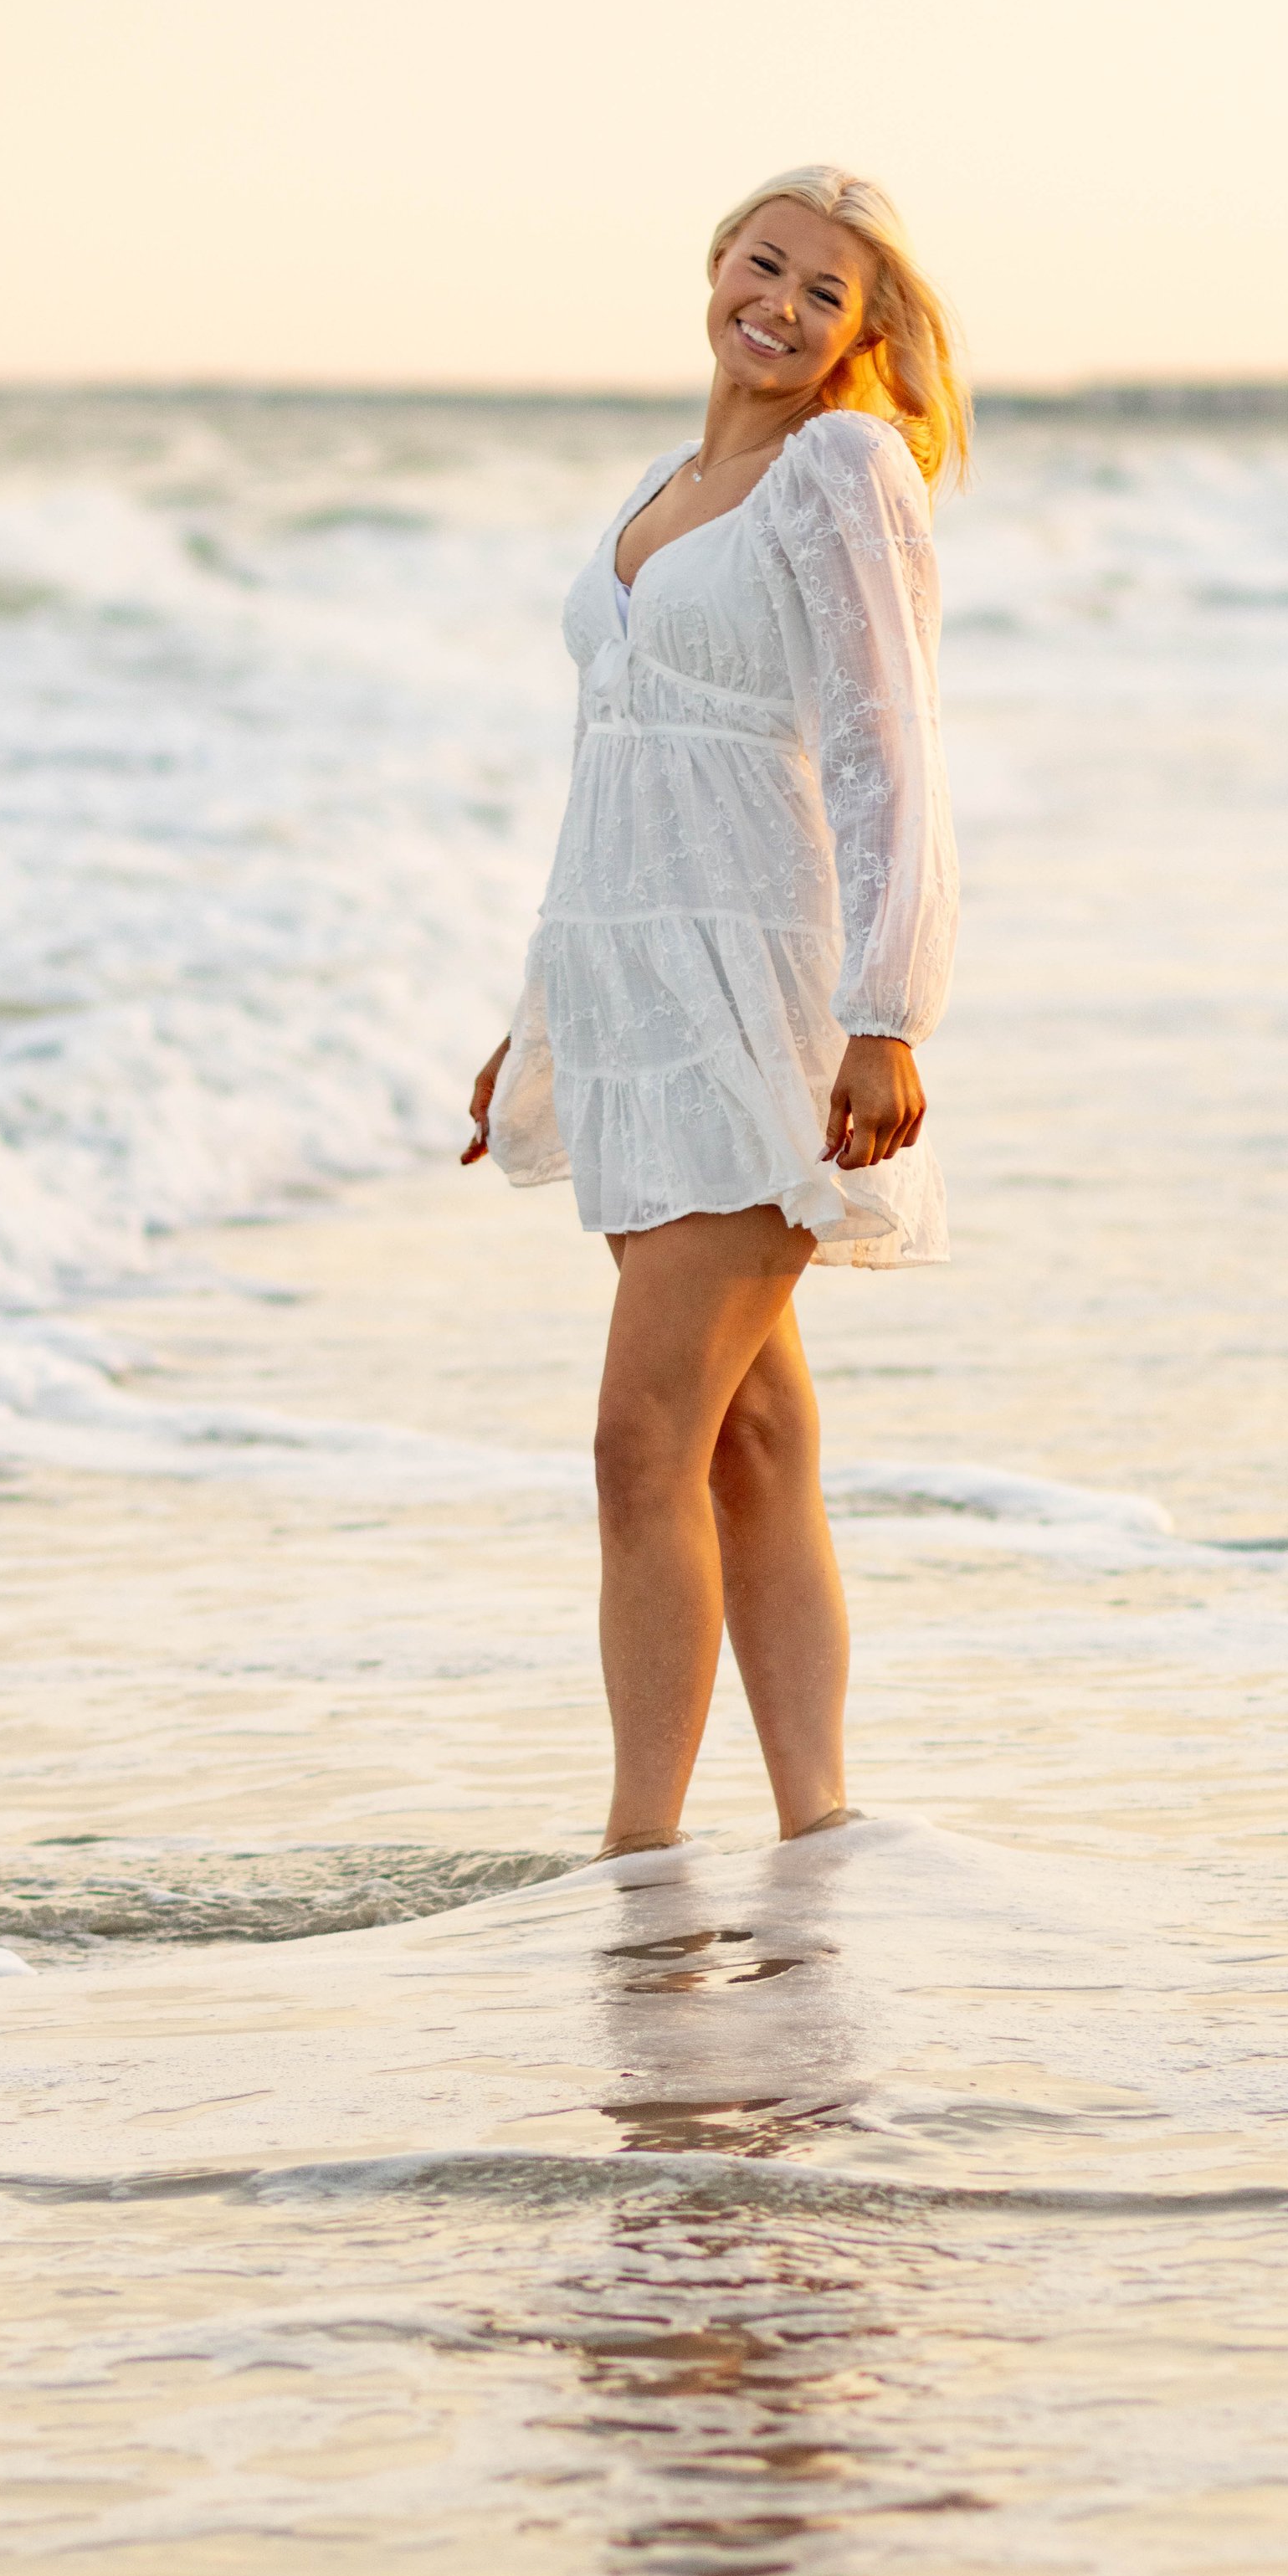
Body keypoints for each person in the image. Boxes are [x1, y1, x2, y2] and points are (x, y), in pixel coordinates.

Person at [464, 166, 964, 1860]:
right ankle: (817, 1831)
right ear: (715, 267)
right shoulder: (668, 482)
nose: (778, 302)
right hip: (629, 986)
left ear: (862, 334)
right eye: (760, 264)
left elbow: (888, 750)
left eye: (821, 291)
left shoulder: (841, 463)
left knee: (638, 1442)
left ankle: (635, 1855)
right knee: (745, 1431)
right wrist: (537, 1012)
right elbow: (612, 763)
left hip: (758, 983)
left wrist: (886, 1009)